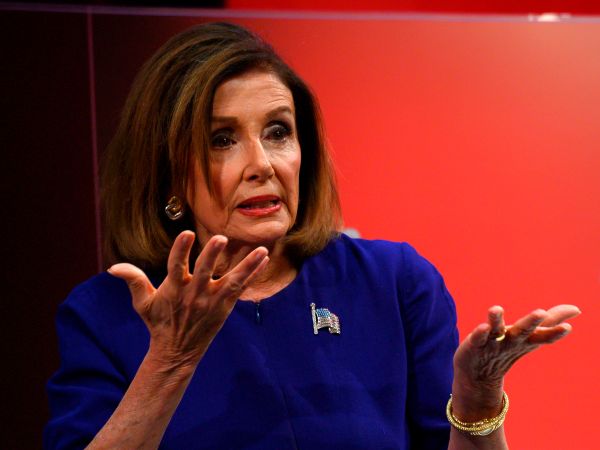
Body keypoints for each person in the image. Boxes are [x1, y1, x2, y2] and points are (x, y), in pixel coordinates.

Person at [44, 22, 579, 449]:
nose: (262, 164)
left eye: (278, 131)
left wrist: (478, 400)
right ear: (167, 176)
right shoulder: (106, 315)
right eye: (221, 139)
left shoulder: (394, 284)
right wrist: (170, 362)